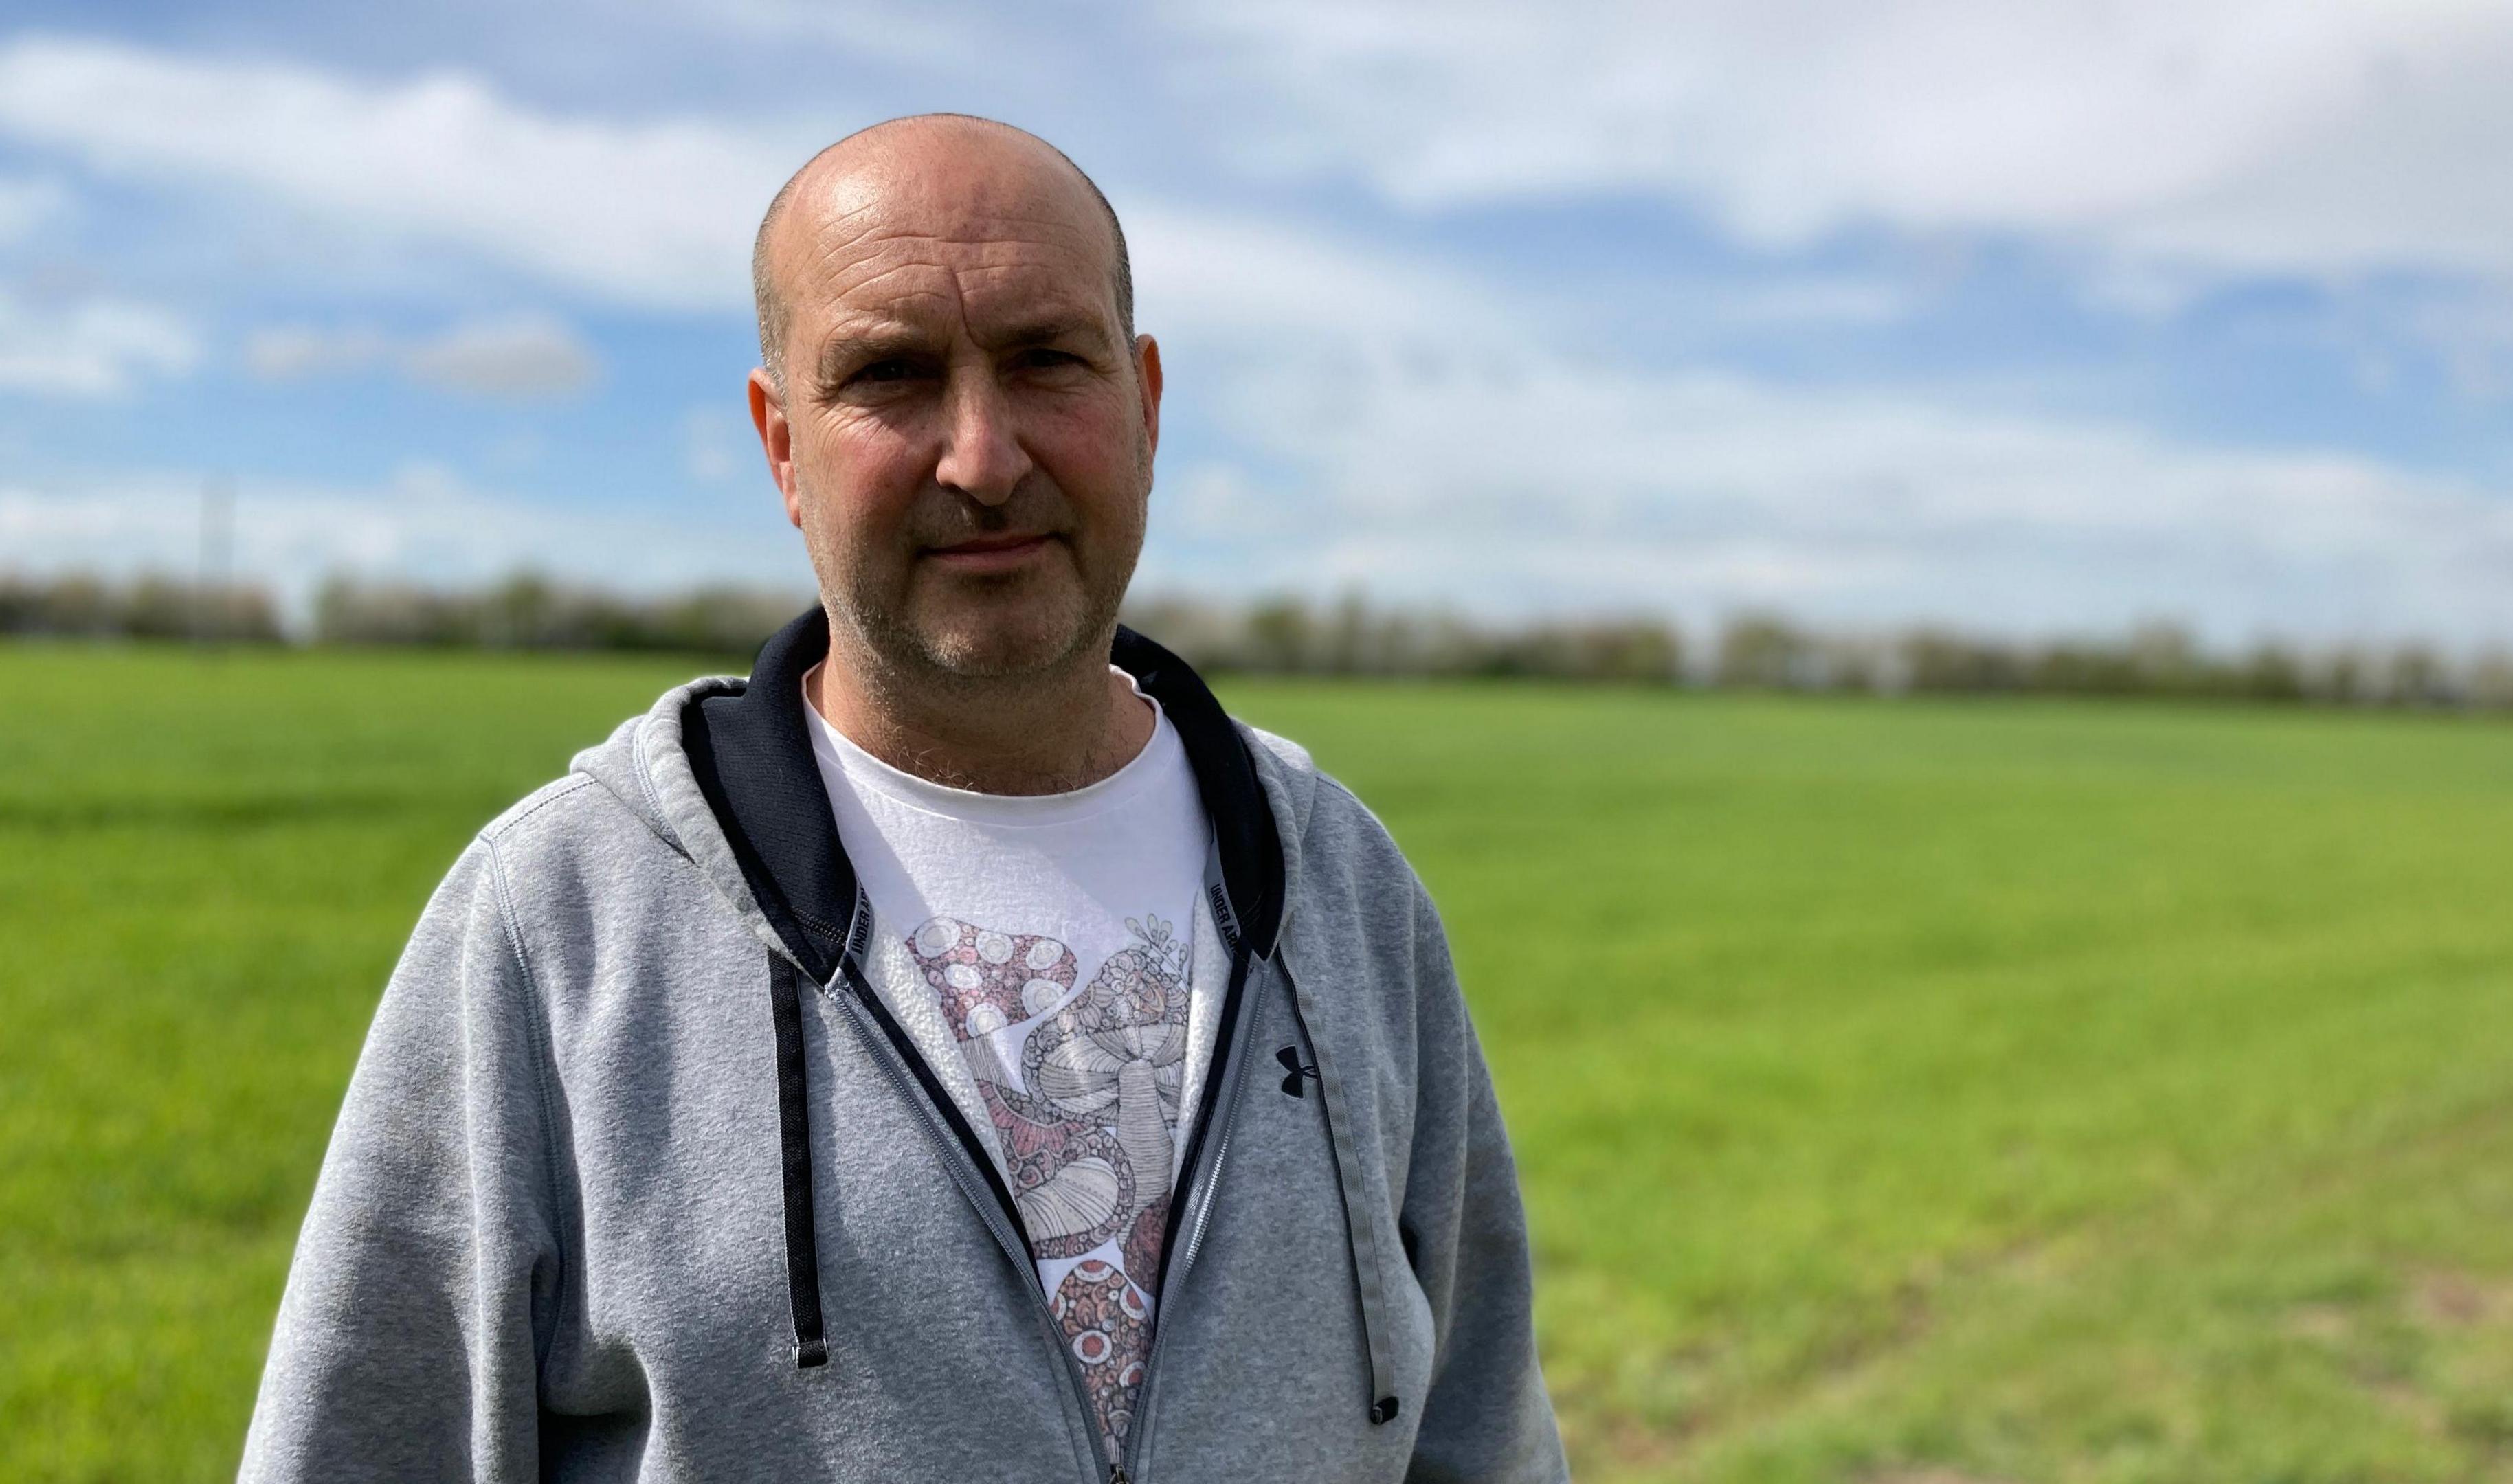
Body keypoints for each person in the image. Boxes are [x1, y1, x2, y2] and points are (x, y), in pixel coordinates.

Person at [238, 114, 1568, 1483]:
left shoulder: (1337, 881)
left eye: (1049, 360)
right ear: (780, 448)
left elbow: (1485, 1434)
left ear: (1148, 406)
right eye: (891, 375)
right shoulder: (558, 921)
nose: (983, 459)